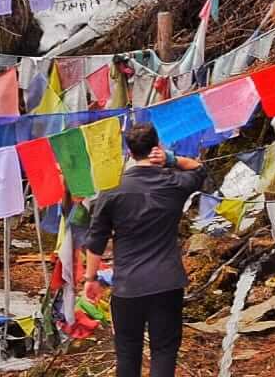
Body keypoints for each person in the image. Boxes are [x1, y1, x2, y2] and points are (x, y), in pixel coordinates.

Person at [82, 124, 207, 377]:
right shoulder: (174, 182)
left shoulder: (112, 190)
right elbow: (200, 170)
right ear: (156, 147)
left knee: (127, 351)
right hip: (167, 282)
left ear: (129, 151)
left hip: (128, 286)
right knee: (164, 350)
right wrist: (171, 159)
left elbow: (96, 240)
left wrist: (90, 279)